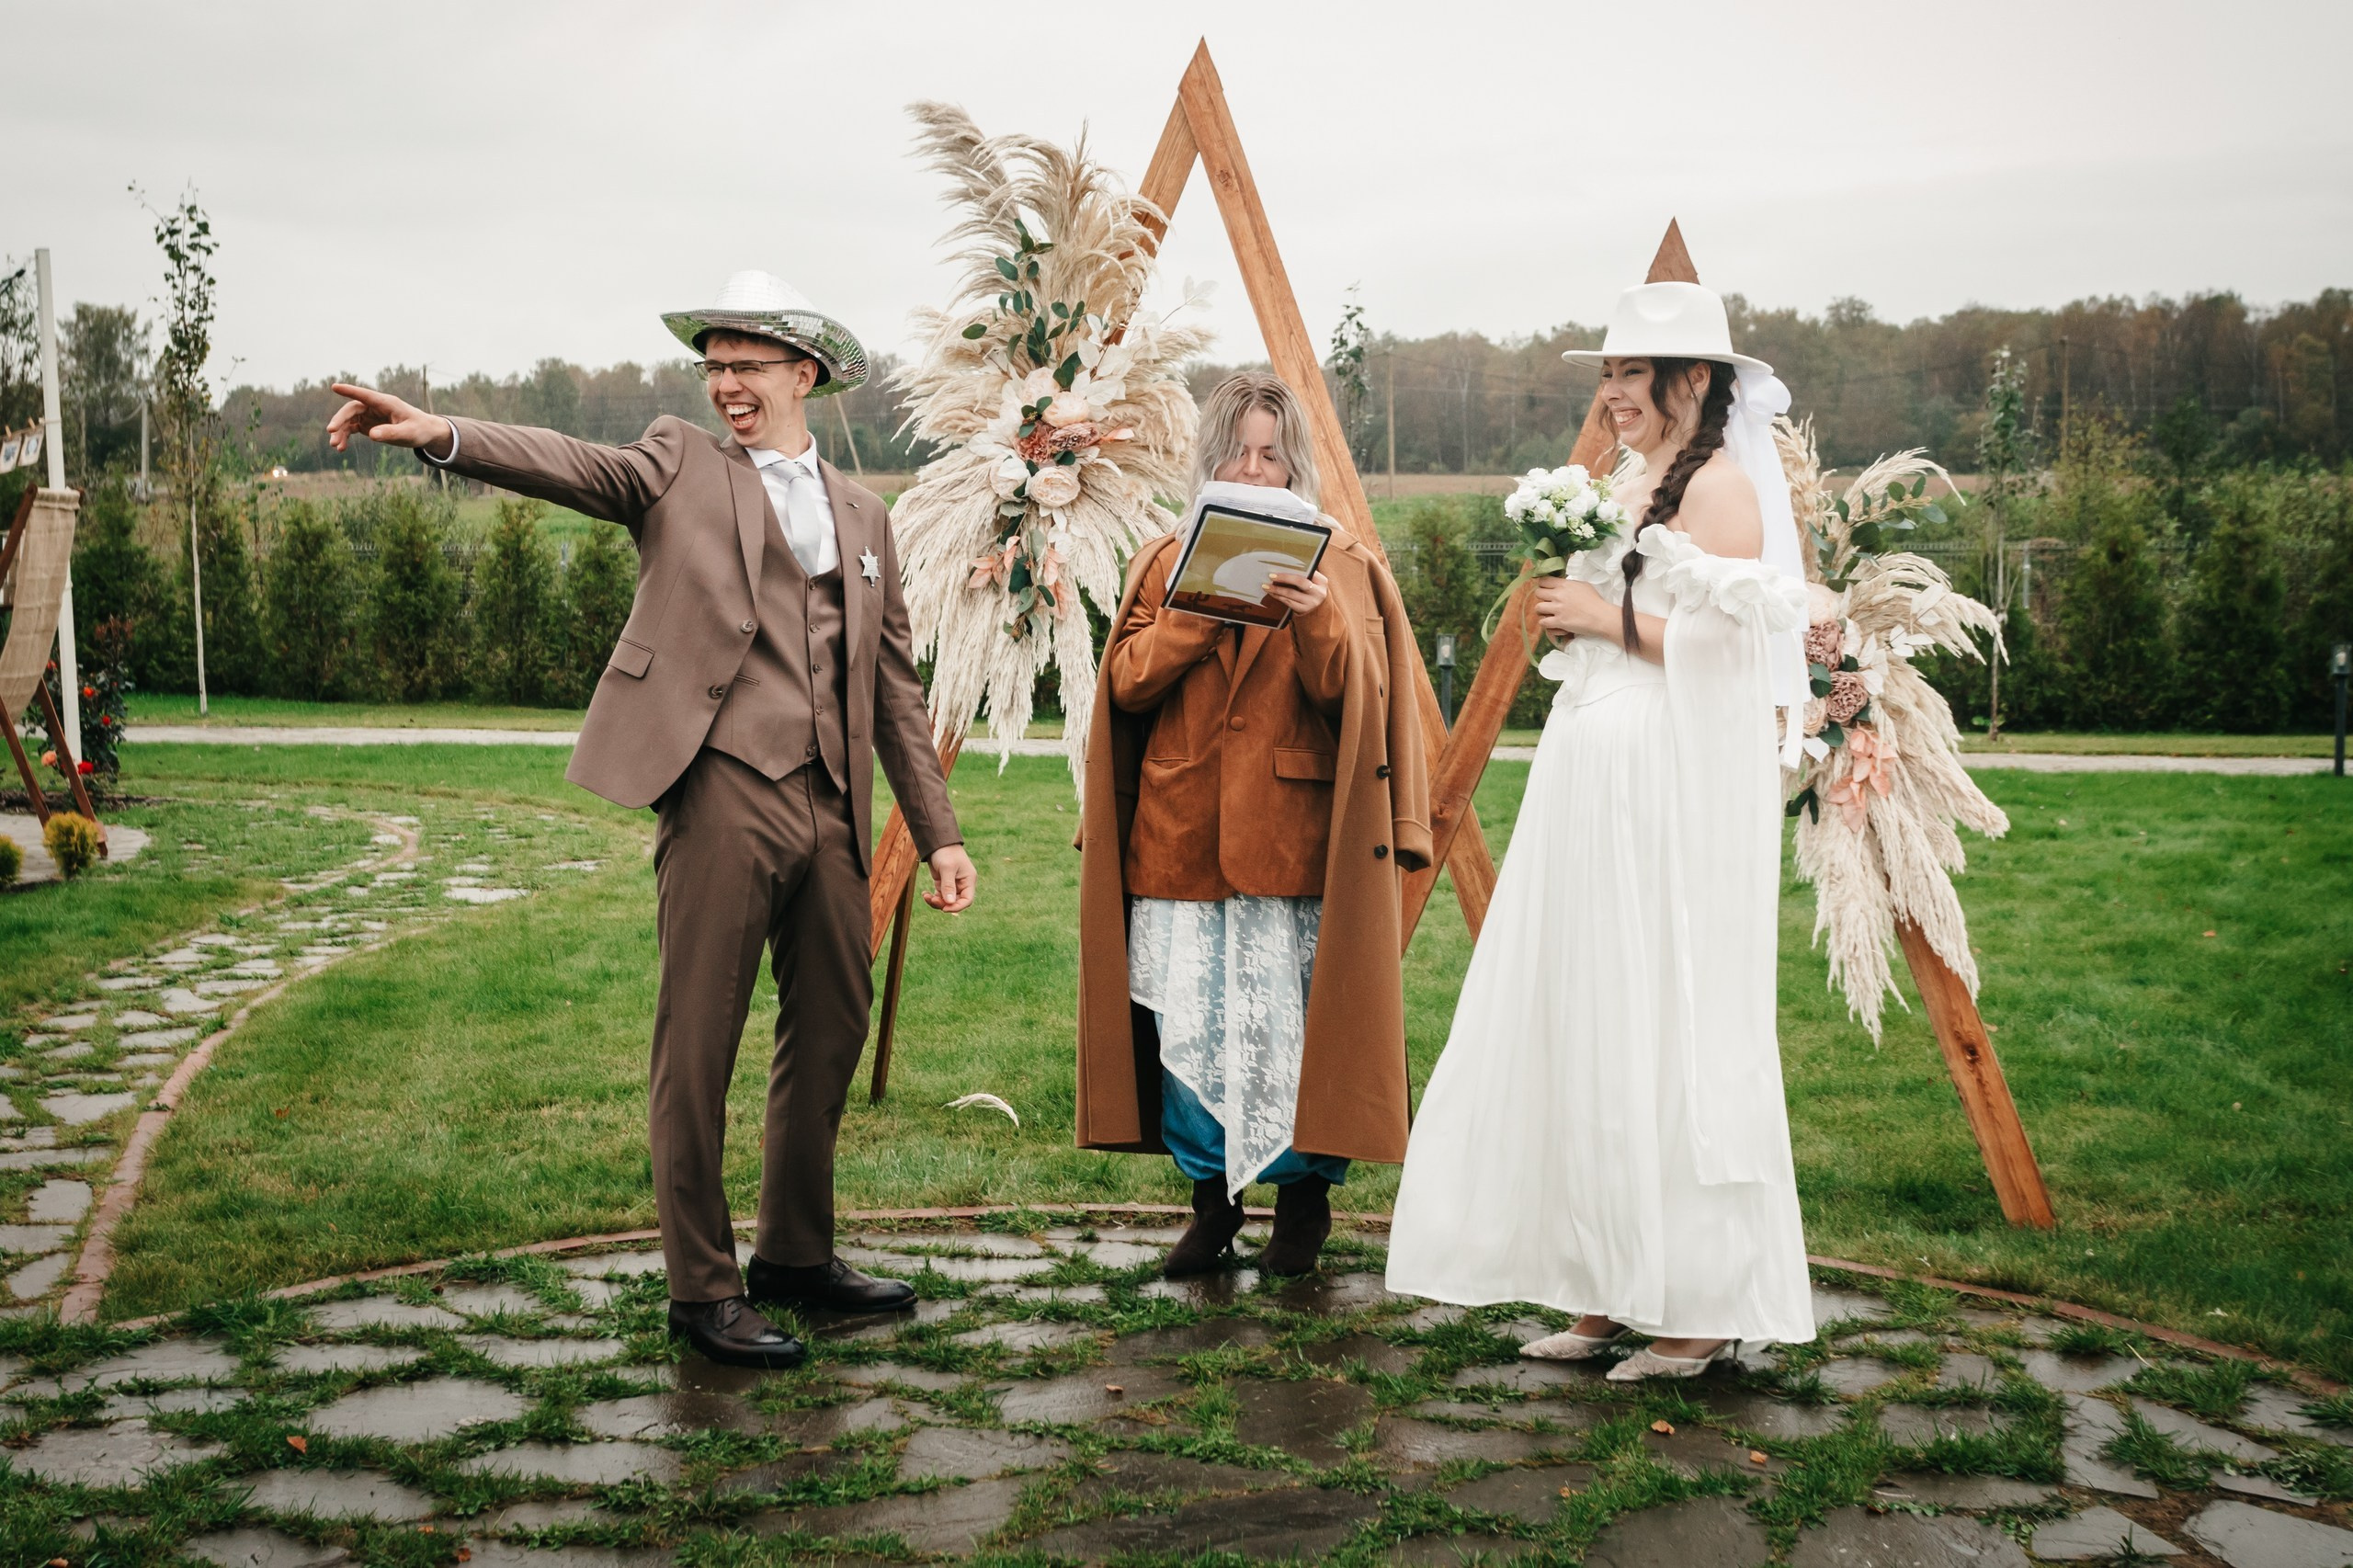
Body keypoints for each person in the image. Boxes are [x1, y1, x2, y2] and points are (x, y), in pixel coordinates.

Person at [325, 270, 978, 1369]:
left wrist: (940, 829)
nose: (725, 385)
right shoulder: (679, 460)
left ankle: (796, 1259)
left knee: (831, 1027)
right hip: (721, 782)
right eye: (714, 366)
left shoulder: (867, 516)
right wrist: (439, 432)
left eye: (747, 367)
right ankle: (701, 1288)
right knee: (697, 1043)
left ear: (804, 375)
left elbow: (895, 689)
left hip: (832, 803)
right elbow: (572, 466)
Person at [1385, 281, 1817, 1379]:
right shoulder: (1631, 481)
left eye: (1628, 374)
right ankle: (1603, 1285)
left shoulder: (1721, 491)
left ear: (1692, 381)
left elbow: (1738, 656)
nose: (1612, 395)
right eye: (1608, 375)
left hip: (1666, 785)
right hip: (1594, 764)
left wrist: (1601, 617)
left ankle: (1698, 1305)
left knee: (1663, 1010)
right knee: (1587, 1009)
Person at [1074, 372, 1431, 1278]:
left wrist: (1317, 627)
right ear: (1210, 457)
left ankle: (1301, 1210)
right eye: (1237, 449)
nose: (1254, 466)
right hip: (1180, 831)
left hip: (1298, 838)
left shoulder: (1342, 561)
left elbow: (1364, 702)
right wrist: (1197, 614)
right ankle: (1211, 1207)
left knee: (1297, 1030)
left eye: (1271, 451)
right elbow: (1124, 685)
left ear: (1295, 460)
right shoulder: (1163, 558)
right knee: (1193, 1021)